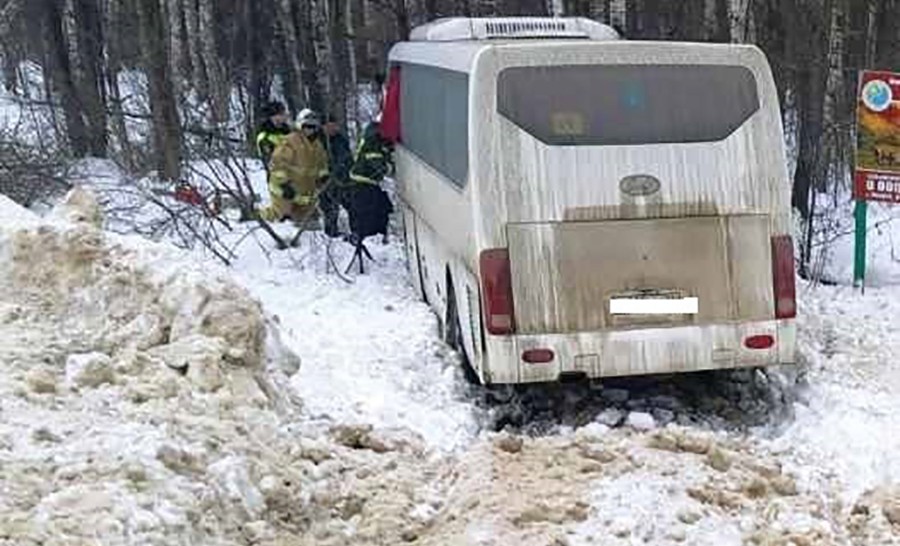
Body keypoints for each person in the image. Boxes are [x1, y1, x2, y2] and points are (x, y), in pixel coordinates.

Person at [262, 109, 329, 224]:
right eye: (307, 126)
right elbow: (278, 164)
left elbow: (322, 165)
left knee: (303, 221)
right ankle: (256, 216)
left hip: (305, 192)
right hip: (284, 189)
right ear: (300, 125)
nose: (310, 130)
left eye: (313, 127)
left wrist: (323, 177)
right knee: (280, 218)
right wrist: (284, 184)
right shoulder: (290, 142)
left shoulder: (318, 146)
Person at [319, 113, 354, 237]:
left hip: (343, 179)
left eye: (334, 125)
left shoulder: (341, 139)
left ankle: (356, 231)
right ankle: (331, 233)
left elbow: (348, 158)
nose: (332, 128)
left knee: (351, 205)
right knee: (330, 208)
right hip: (326, 181)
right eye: (329, 126)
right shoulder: (319, 141)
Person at [255, 100, 292, 172]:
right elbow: (271, 159)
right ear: (273, 117)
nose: (284, 117)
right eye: (281, 114)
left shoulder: (287, 131)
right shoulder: (265, 136)